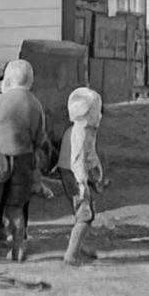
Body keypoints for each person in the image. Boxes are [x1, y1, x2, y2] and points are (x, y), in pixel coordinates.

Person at [0, 59, 47, 263]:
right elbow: (40, 138)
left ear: (7, 81)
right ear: (30, 82)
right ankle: (17, 249)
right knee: (15, 207)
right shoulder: (36, 104)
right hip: (23, 158)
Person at [59, 86, 105, 266]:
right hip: (75, 175)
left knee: (85, 212)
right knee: (85, 213)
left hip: (76, 174)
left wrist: (97, 175)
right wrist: (83, 183)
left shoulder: (82, 130)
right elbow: (78, 159)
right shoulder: (80, 132)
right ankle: (71, 254)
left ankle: (80, 246)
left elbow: (90, 155)